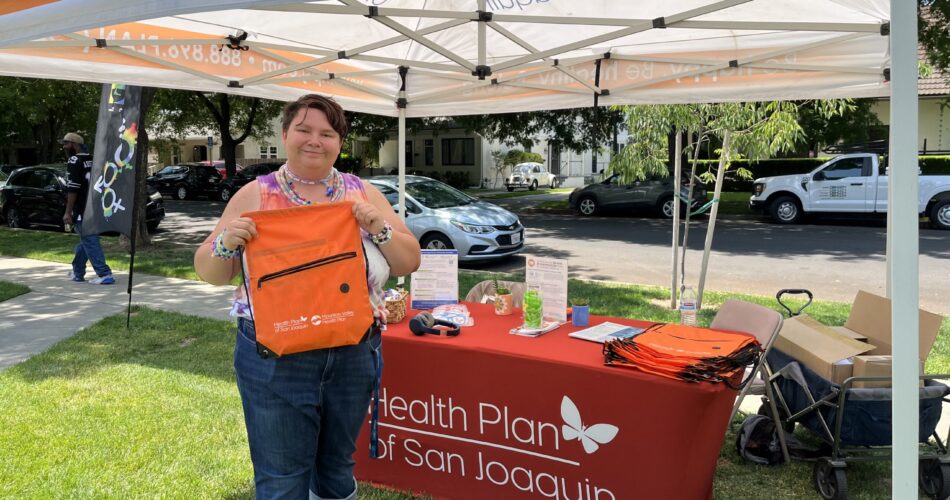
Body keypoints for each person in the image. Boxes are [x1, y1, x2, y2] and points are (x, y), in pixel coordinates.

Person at [194, 94, 421, 499]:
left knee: (336, 469)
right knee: (282, 479)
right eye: (303, 129)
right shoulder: (255, 195)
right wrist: (227, 243)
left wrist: (379, 229)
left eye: (327, 133)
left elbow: (408, 261)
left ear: (340, 143)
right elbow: (211, 271)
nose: (315, 140)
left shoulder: (362, 193)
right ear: (285, 135)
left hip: (352, 350)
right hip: (276, 356)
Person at [62, 132, 114, 285]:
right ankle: (77, 271)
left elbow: (73, 188)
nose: (64, 147)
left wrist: (68, 212)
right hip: (96, 207)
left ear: (74, 144)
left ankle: (104, 273)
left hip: (82, 208)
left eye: (66, 143)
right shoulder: (93, 159)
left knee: (90, 240)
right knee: (86, 240)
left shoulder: (74, 160)